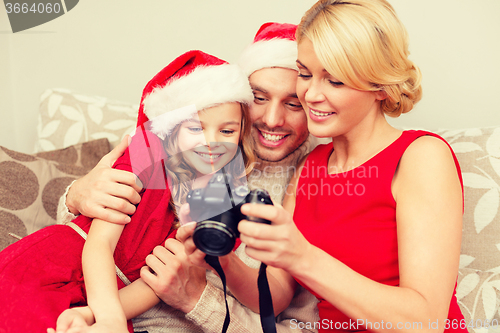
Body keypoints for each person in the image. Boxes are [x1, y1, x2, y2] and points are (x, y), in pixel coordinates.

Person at [194, 0, 466, 332]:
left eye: (334, 81)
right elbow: (276, 293)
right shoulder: (311, 166)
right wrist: (220, 256)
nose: (310, 94)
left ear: (379, 85)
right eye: (305, 74)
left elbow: (426, 322)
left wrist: (302, 257)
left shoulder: (420, 156)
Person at [56, 23, 321, 333]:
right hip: (97, 301)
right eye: (260, 98)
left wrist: (197, 298)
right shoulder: (185, 145)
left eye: (293, 104)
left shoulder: (314, 182)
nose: (273, 120)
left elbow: (291, 321)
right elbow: (95, 228)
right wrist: (76, 194)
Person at [0, 50, 256, 333]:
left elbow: (155, 283)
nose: (211, 142)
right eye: (196, 128)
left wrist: (95, 317)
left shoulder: (222, 201)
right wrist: (108, 318)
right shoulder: (144, 152)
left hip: (108, 299)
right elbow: (100, 245)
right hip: (55, 267)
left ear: (242, 134)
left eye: (227, 132)